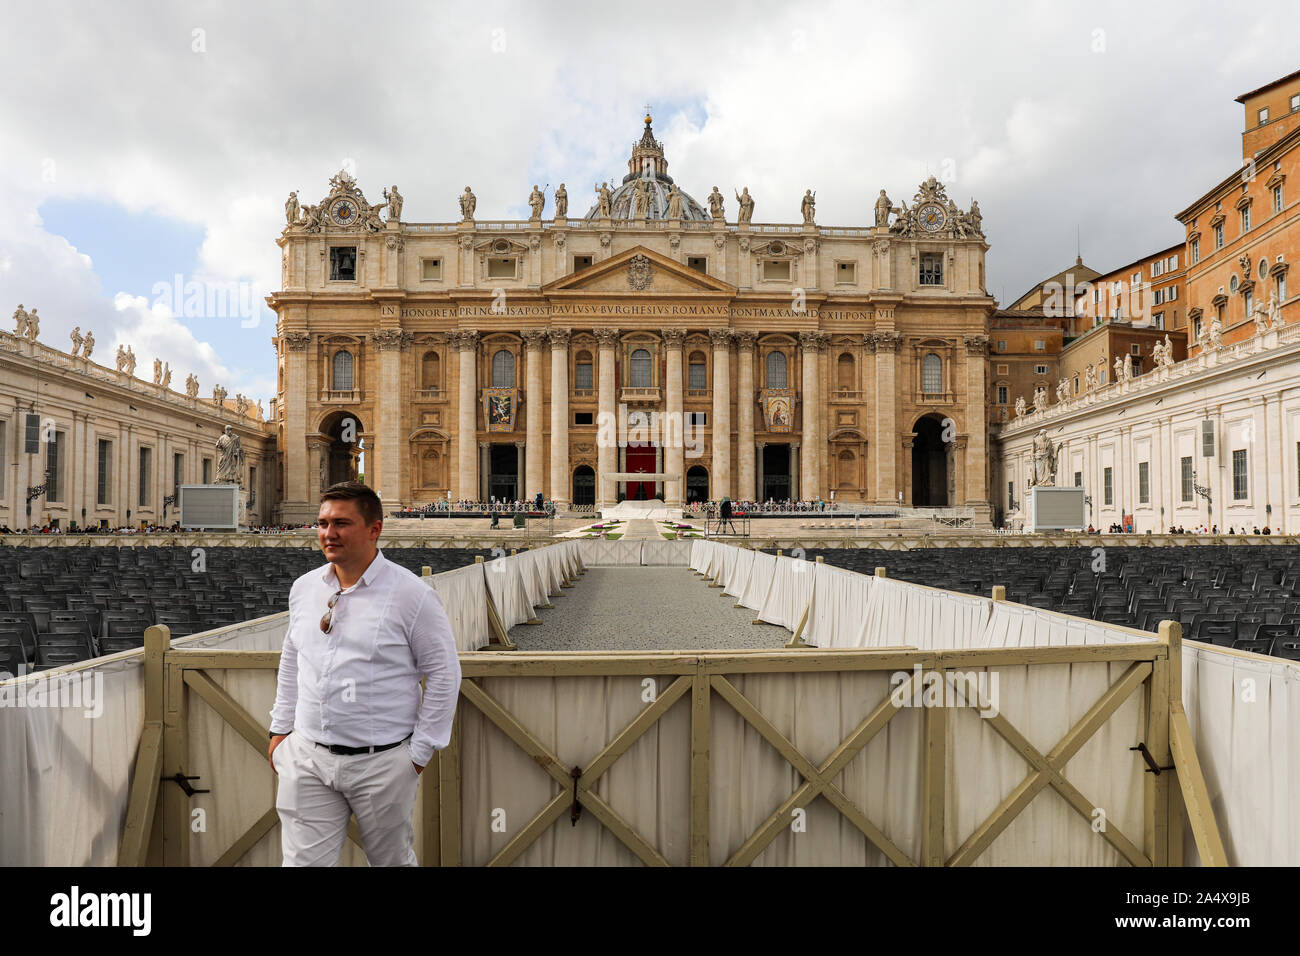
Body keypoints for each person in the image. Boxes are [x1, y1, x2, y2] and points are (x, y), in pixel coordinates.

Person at [268, 481, 461, 866]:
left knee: (390, 862)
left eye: (341, 523)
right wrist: (279, 732)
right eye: (323, 523)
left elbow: (444, 673)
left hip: (383, 762)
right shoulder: (304, 588)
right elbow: (292, 659)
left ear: (375, 529)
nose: (328, 533)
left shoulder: (412, 595)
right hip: (307, 757)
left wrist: (419, 753)